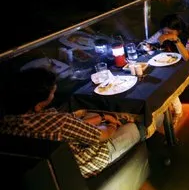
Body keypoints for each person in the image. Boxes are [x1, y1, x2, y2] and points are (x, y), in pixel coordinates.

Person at [0, 67, 143, 178]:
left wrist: (102, 116)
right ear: (38, 105)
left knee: (92, 115)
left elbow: (73, 126)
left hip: (55, 167)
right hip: (82, 164)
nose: (53, 94)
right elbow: (103, 134)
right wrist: (113, 124)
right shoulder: (58, 122)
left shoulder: (7, 122)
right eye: (52, 93)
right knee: (133, 126)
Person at [145, 13, 189, 125]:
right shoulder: (163, 32)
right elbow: (148, 42)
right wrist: (149, 46)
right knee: (161, 79)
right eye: (164, 32)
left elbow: (188, 57)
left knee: (168, 81)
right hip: (172, 60)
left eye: (170, 32)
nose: (166, 34)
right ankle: (173, 109)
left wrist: (175, 39)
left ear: (179, 30)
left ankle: (177, 111)